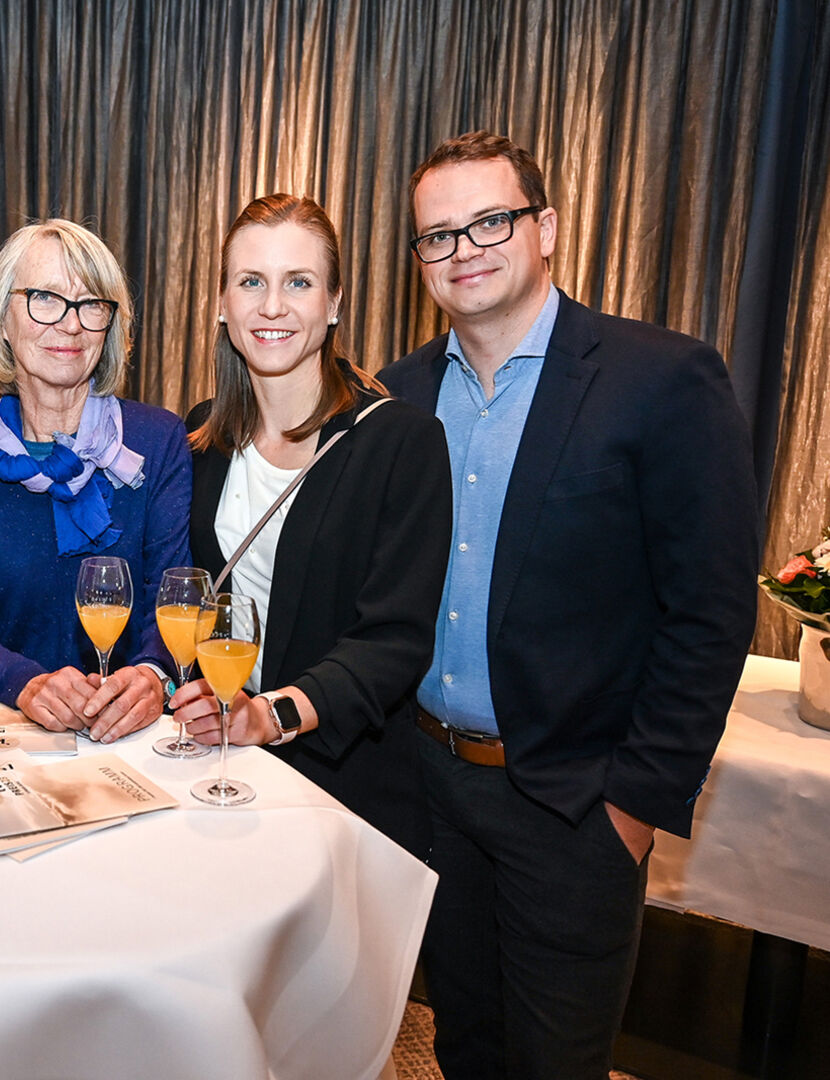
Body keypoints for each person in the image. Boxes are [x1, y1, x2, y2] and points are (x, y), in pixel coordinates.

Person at [381, 131, 758, 1078]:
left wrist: (631, 808)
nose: (464, 249)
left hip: (573, 805)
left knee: (558, 1062)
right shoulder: (399, 394)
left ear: (545, 226)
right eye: (438, 236)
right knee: (463, 1039)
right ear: (419, 260)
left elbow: (709, 617)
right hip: (432, 788)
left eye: (490, 221)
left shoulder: (660, 380)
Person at [168, 193, 452, 857]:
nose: (272, 307)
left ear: (334, 303)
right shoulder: (201, 435)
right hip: (217, 778)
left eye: (298, 282)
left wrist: (273, 714)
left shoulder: (401, 443)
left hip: (340, 795)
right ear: (220, 303)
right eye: (251, 282)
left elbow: (394, 642)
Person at [0, 219, 192, 744]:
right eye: (45, 298)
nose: (70, 325)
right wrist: (26, 684)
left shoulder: (158, 440)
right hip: (8, 732)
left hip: (132, 737)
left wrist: (151, 676)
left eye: (91, 304)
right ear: (2, 318)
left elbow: (174, 597)